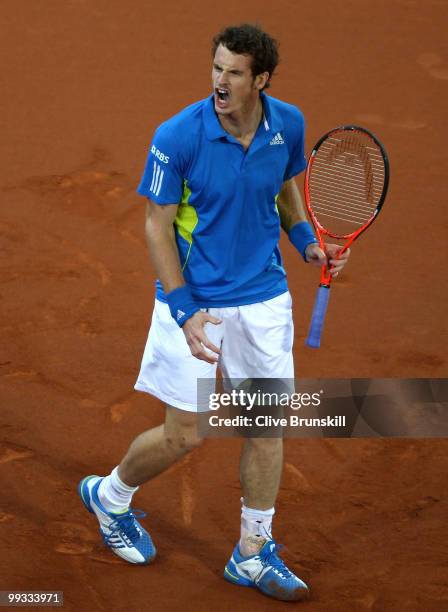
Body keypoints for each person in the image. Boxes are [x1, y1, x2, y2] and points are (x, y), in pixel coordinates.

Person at [78, 23, 350, 602]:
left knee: (267, 427)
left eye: (233, 72)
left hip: (265, 298)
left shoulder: (289, 125)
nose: (220, 82)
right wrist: (184, 311)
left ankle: (251, 553)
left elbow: (285, 193)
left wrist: (307, 244)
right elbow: (156, 225)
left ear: (262, 80)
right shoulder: (178, 136)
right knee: (187, 435)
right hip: (195, 303)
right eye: (216, 68)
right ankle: (109, 497)